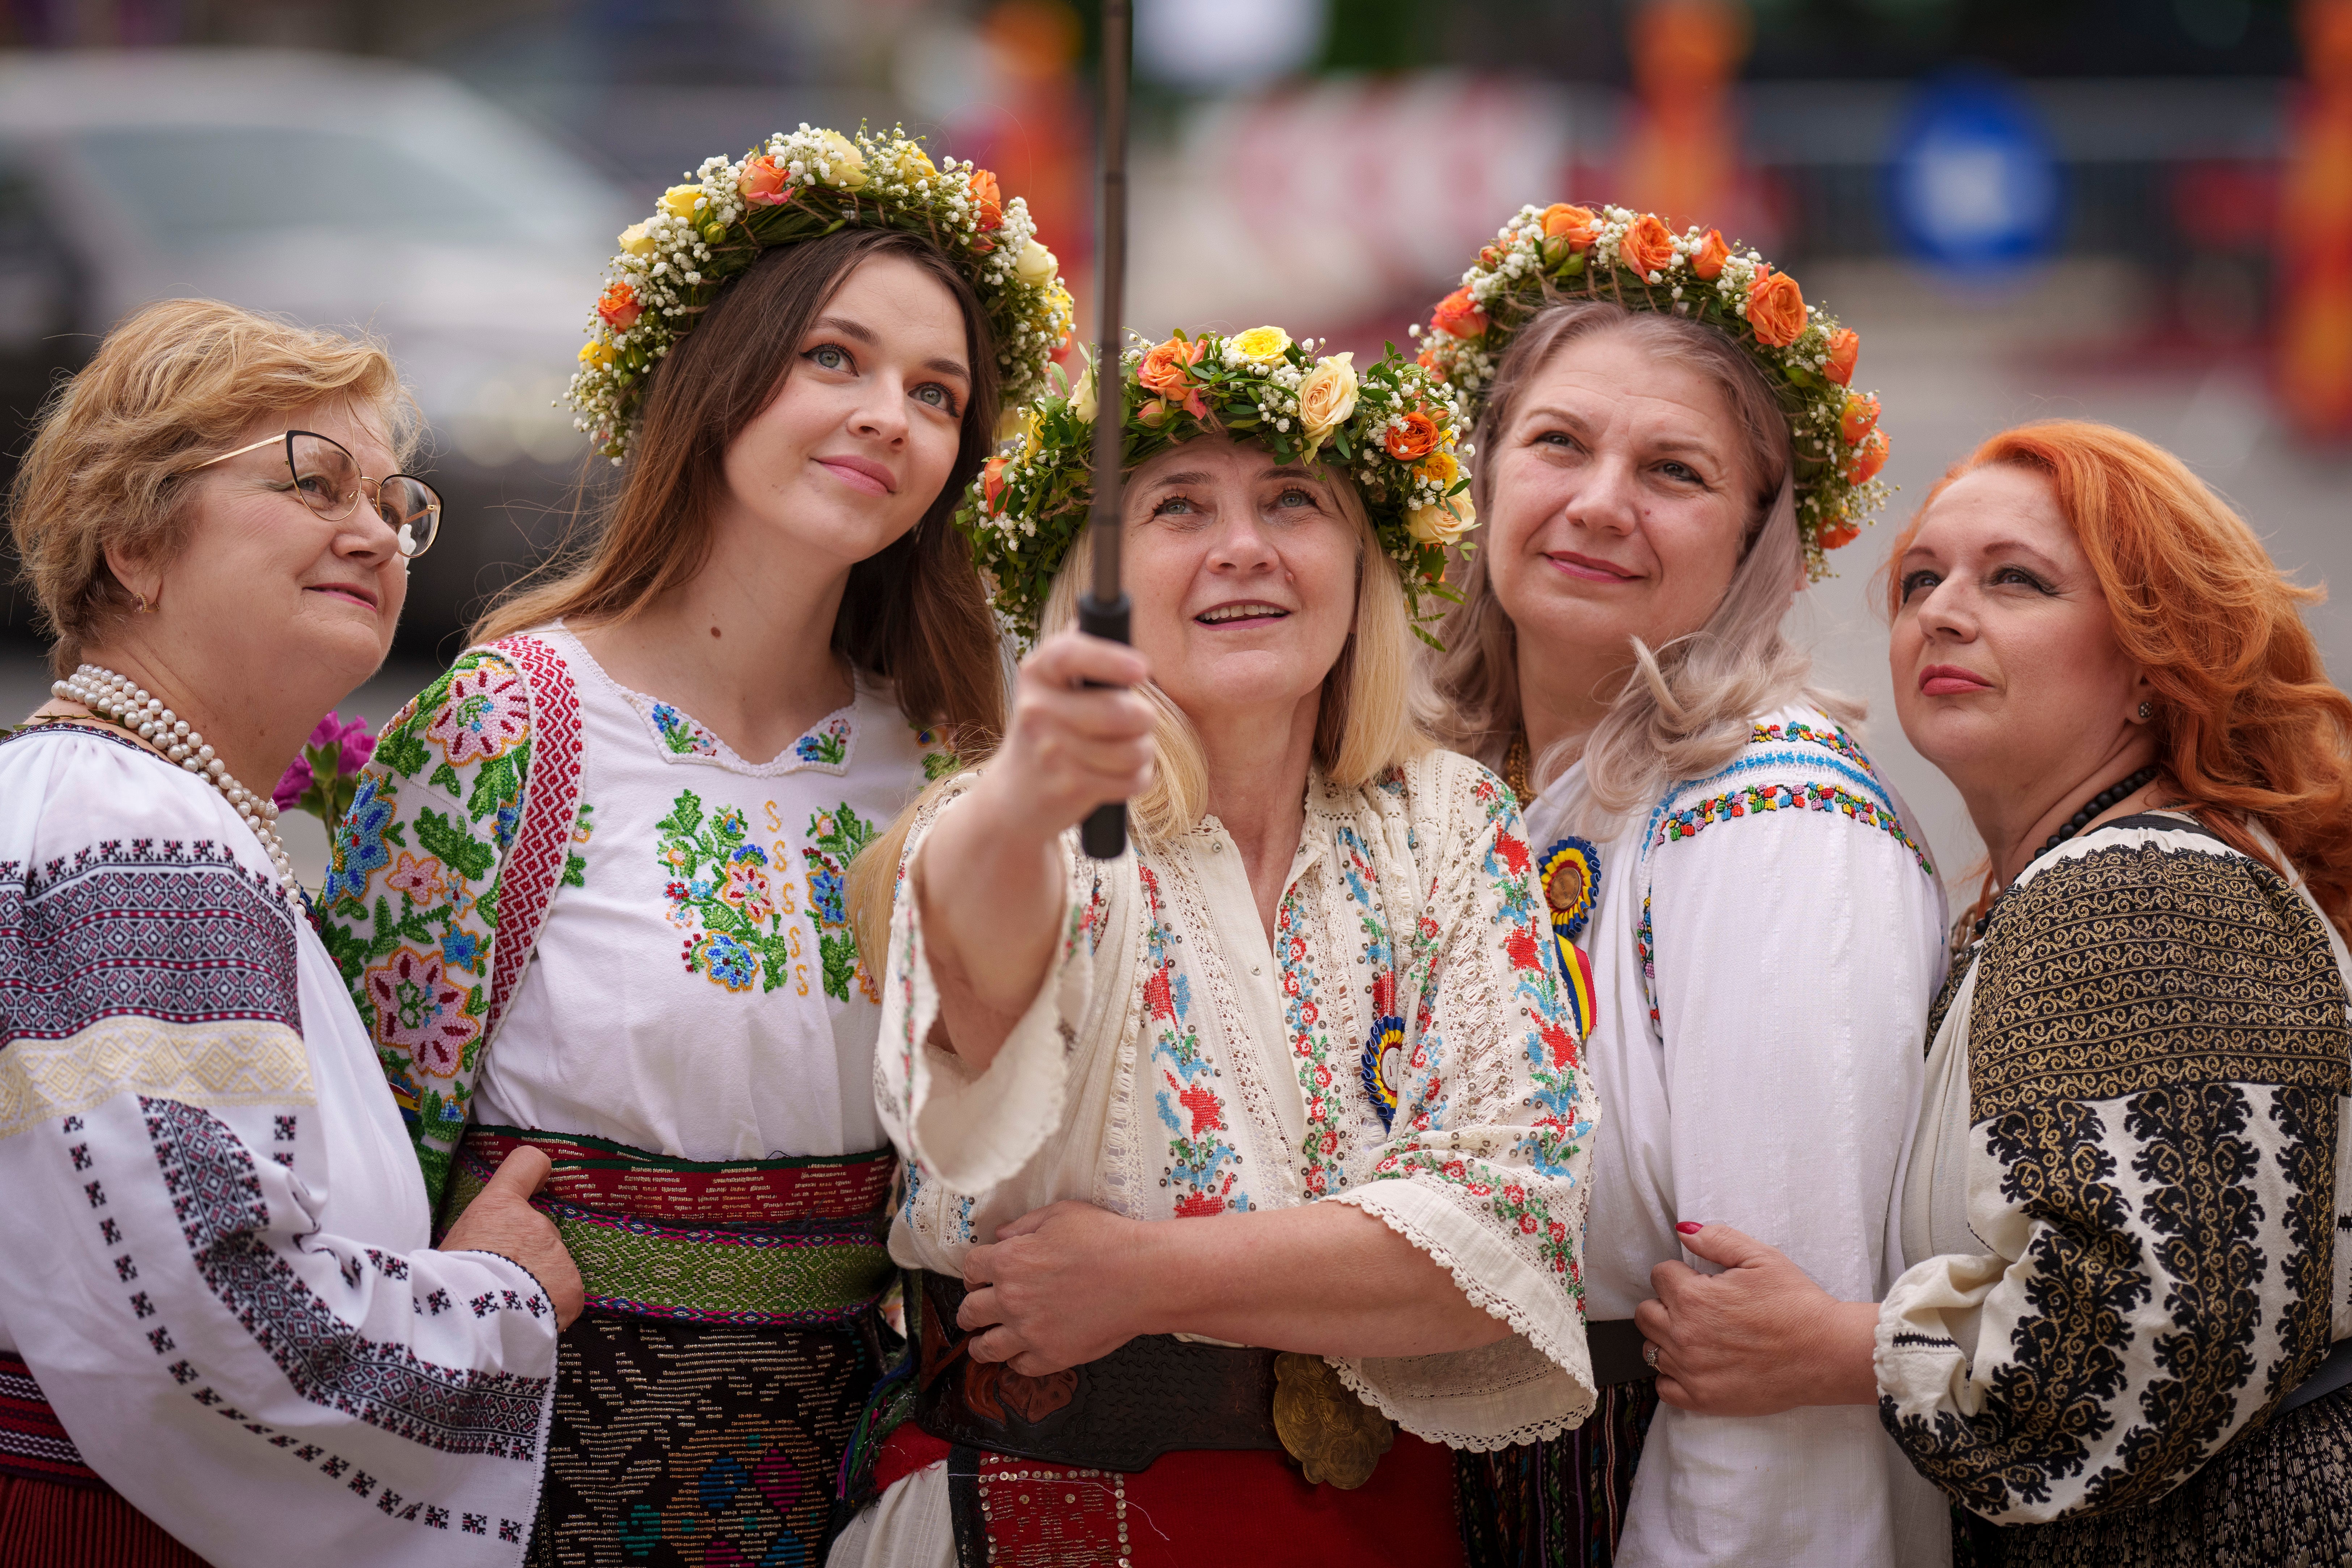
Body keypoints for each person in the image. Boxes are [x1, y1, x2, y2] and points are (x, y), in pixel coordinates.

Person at [322, 128, 1067, 1567]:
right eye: (833, 359)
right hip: (529, 1481)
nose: (885, 418)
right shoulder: (515, 725)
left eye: (936, 392)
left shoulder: (947, 761)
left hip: (855, 1495)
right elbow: (357, 1156)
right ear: (724, 370)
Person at [825, 325, 1598, 1566]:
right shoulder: (1017, 828)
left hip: (1380, 1529)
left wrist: (1143, 1276)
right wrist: (1023, 795)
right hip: (1045, 1514)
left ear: (1361, 562)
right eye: (1176, 507)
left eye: (1293, 499)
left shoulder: (1451, 821)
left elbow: (1510, 1233)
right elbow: (982, 975)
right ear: (1096, 585)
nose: (1245, 545)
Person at [1632, 420, 2352, 1568]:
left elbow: (2163, 1334)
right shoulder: (2068, 891)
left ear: (2151, 662)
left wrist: (1836, 1349)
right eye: (1921, 579)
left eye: (2014, 580)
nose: (1941, 612)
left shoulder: (2139, 892)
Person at [0, 299, 582, 1568]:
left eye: (397, 504)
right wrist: (502, 1300)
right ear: (133, 547)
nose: (374, 533)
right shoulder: (131, 826)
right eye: (313, 484)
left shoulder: (133, 809)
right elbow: (212, 1313)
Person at [1417, 204, 1949, 1566]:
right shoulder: (1436, 784)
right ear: (1478, 476)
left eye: (1673, 471)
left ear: (1753, 541)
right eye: (1557, 443)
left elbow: (1766, 1342)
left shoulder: (1779, 820)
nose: (1599, 503)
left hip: (1618, 1497)